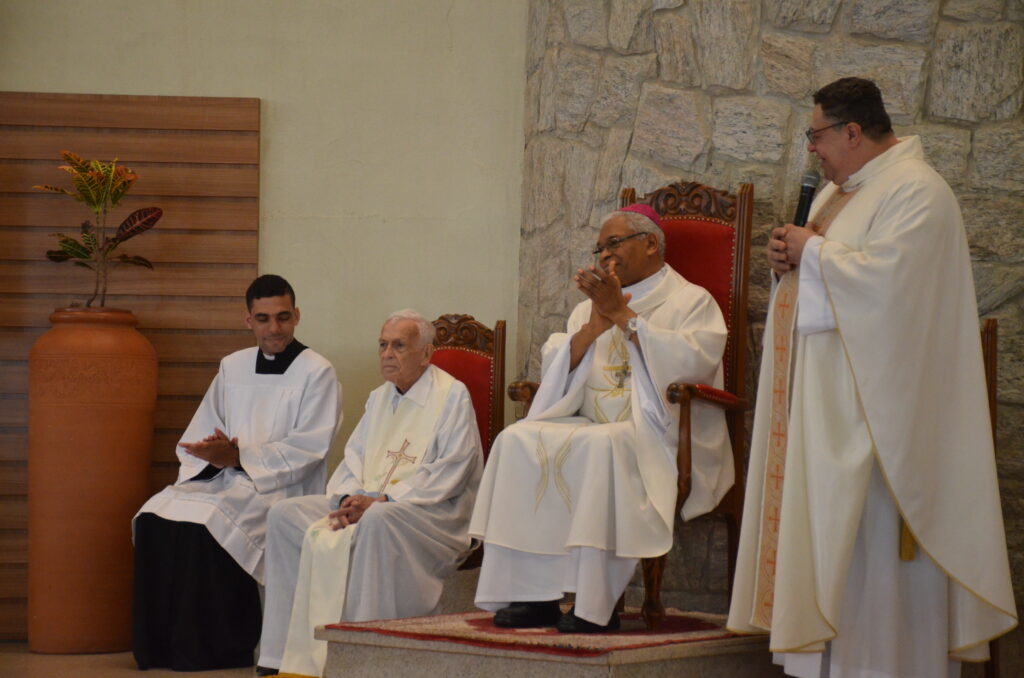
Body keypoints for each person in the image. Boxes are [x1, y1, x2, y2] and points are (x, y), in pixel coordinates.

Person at [727, 77, 1017, 678]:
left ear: (852, 132)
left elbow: (893, 294)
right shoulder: (845, 194)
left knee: (877, 581)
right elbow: (832, 283)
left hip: (887, 430)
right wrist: (792, 263)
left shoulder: (919, 192)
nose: (812, 150)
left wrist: (814, 254)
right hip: (831, 417)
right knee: (839, 563)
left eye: (816, 135)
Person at [469, 205, 733, 633]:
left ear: (650, 244)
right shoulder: (587, 308)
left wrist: (624, 317)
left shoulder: (691, 301)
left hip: (656, 432)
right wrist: (593, 327)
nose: (605, 256)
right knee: (516, 438)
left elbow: (693, 364)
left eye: (614, 244)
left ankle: (596, 606)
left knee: (600, 445)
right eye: (599, 248)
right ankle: (534, 596)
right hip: (592, 425)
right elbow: (560, 369)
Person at [132, 274, 341, 671]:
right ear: (248, 320)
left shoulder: (318, 372)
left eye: (282, 317)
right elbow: (203, 429)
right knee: (155, 515)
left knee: (202, 525)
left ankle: (213, 648)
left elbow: (310, 448)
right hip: (224, 476)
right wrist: (208, 452)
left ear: (297, 316)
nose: (273, 329)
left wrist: (240, 458)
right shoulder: (233, 366)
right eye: (263, 319)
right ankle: (158, 647)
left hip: (281, 487)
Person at [257, 309, 483, 677]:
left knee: (378, 519)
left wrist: (384, 500)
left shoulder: (451, 396)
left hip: (433, 513)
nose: (386, 354)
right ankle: (283, 656)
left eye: (398, 346)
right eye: (382, 345)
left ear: (425, 354)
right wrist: (348, 499)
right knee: (284, 515)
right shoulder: (378, 398)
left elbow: (453, 468)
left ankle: (364, 655)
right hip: (370, 504)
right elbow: (353, 457)